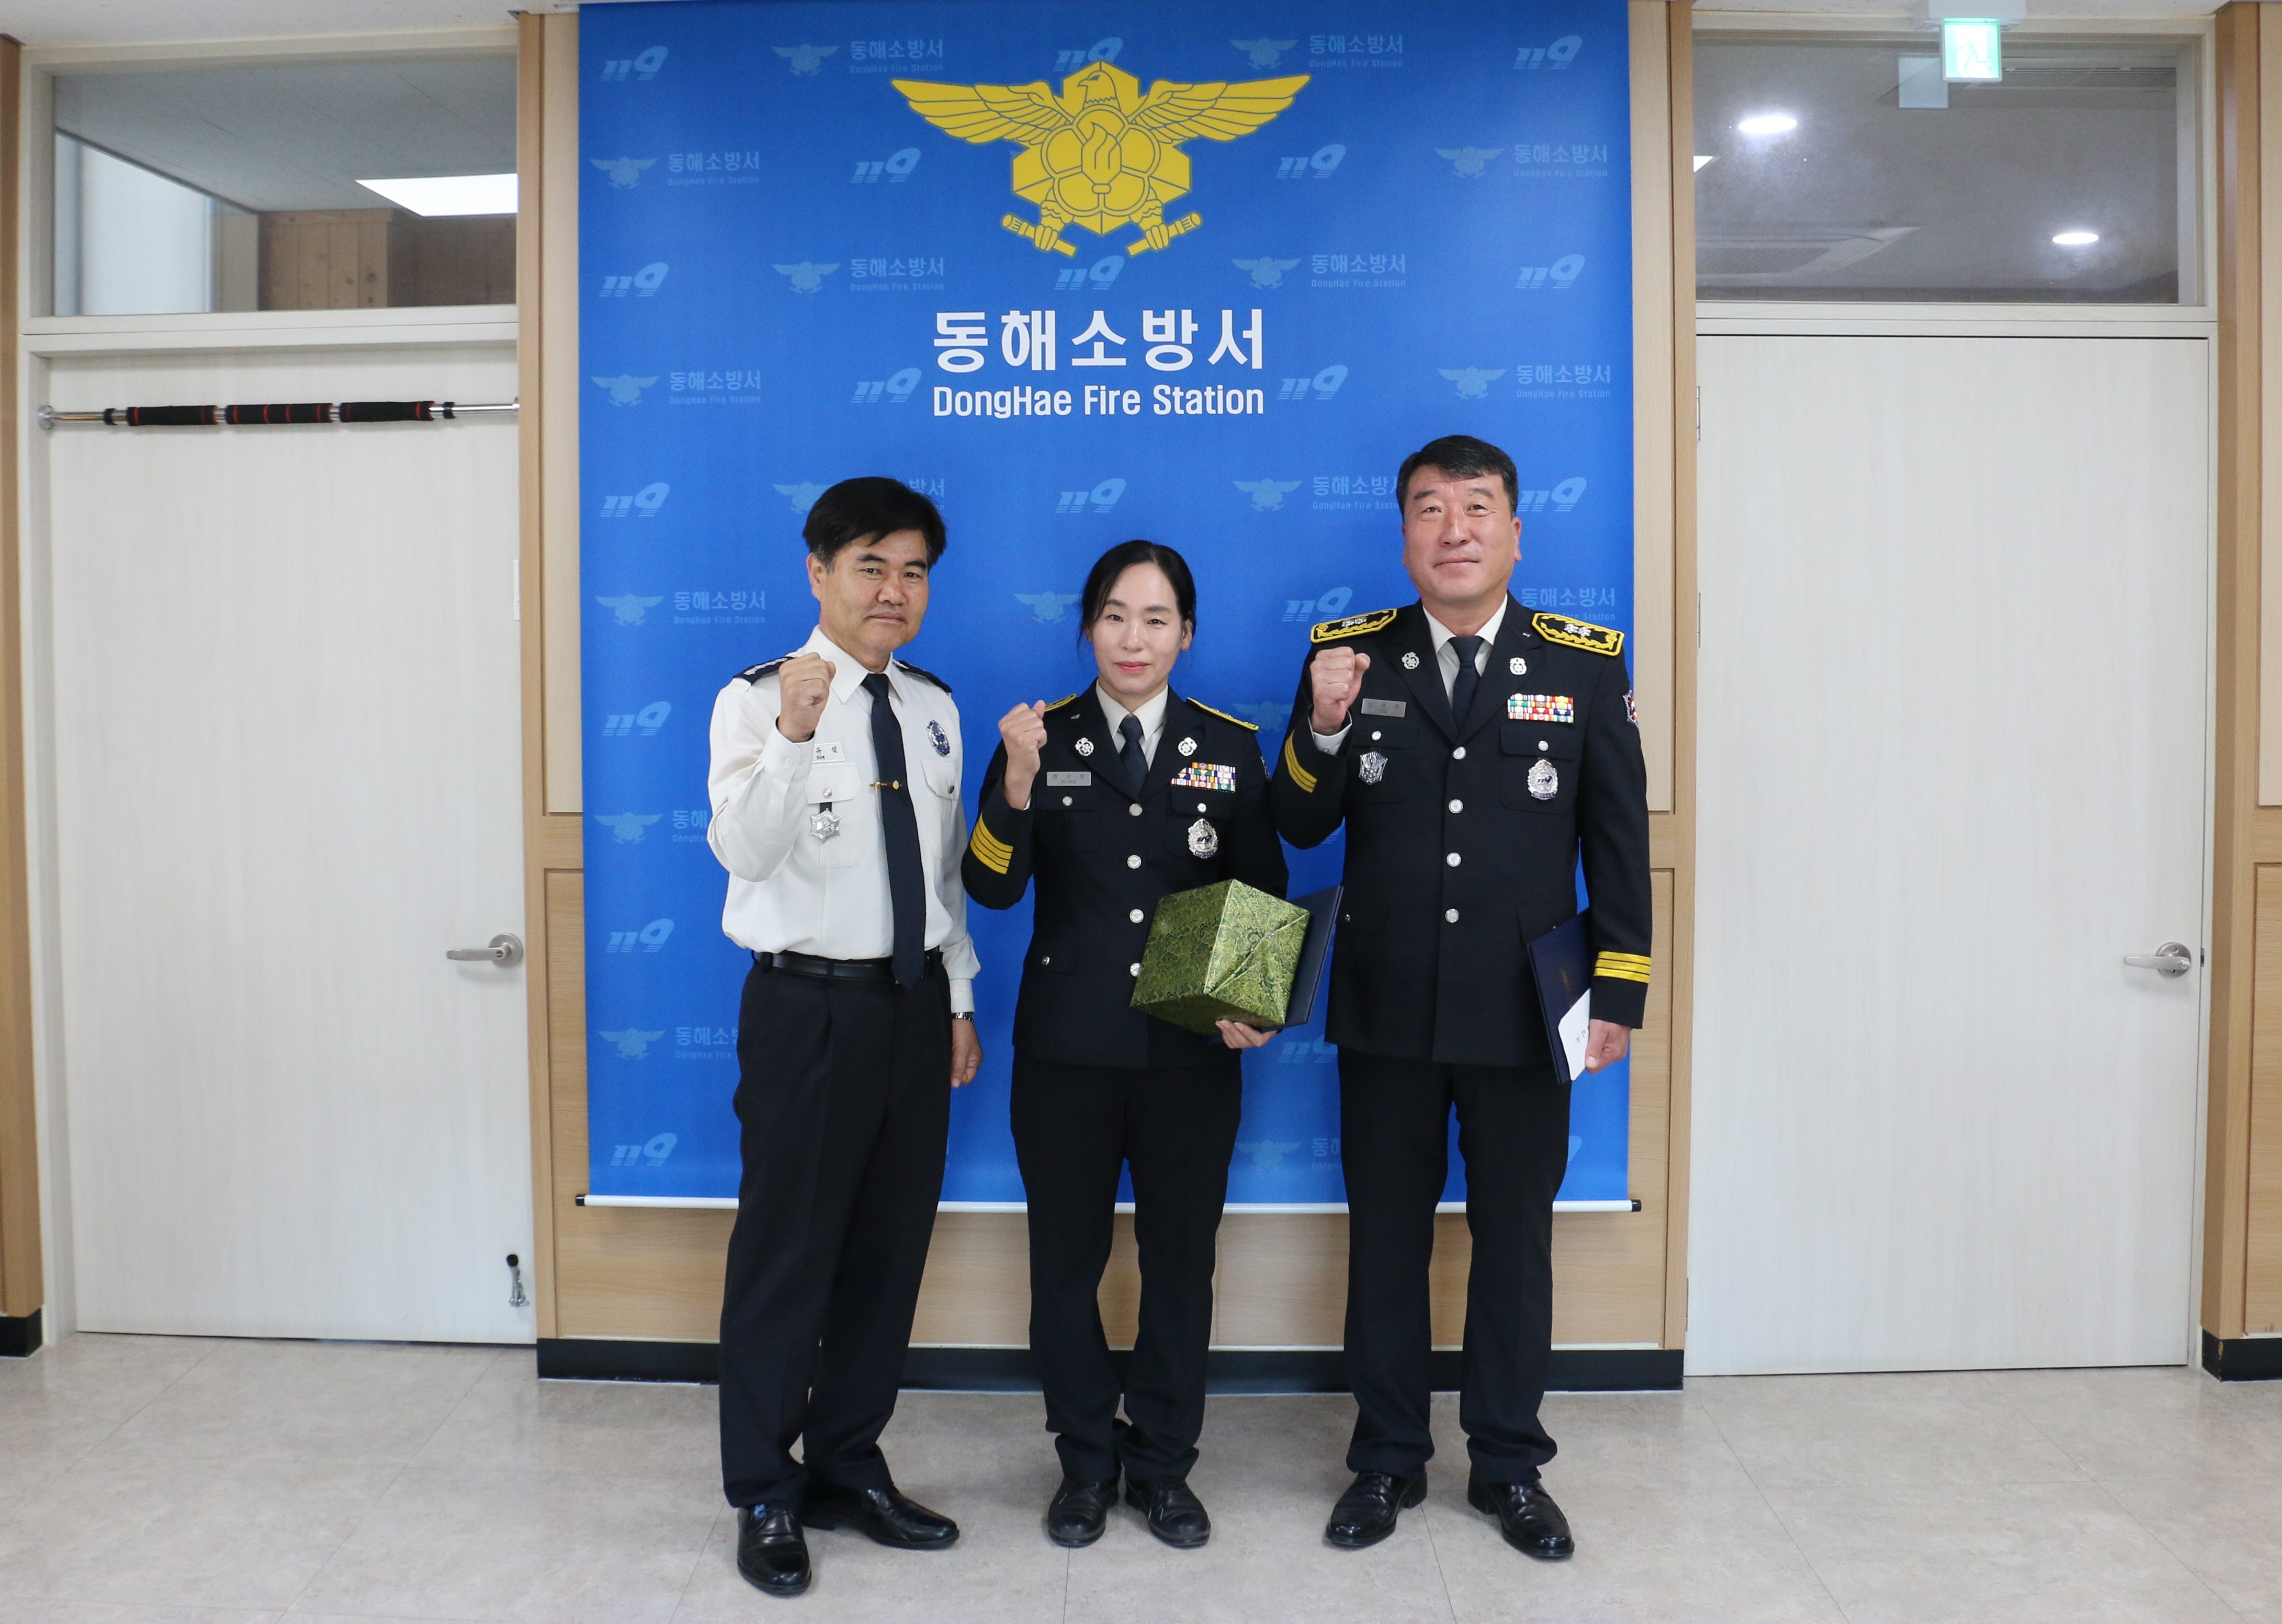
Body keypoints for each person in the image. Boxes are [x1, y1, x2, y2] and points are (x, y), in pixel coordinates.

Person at [1267, 435, 1651, 1561]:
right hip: (1386, 1002)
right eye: (1430, 509)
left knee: (1514, 1242)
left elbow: (1616, 843)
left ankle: (1509, 1464)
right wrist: (1324, 725)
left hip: (1525, 1007)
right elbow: (1299, 820)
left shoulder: (1585, 664)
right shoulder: (1347, 656)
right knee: (1385, 1240)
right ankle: (1386, 1458)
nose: (1455, 529)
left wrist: (1619, 987)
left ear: (1515, 531)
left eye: (1476, 507)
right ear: (1404, 536)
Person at [962, 540, 1288, 1551]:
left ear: (1185, 632)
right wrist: (1017, 784)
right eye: (1113, 615)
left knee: (1180, 1265)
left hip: (1189, 1053)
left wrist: (1254, 1003)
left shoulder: (1228, 744)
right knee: (1065, 1264)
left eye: (1154, 618)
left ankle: (1162, 1464)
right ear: (1087, 627)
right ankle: (1083, 1462)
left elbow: (1261, 888)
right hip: (1066, 1052)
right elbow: (990, 888)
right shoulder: (1038, 737)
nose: (1132, 637)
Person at [705, 476, 985, 1598]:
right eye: (870, 566)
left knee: (886, 1253)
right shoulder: (756, 699)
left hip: (911, 1006)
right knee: (788, 1256)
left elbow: (943, 874)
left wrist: (957, 996)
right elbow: (743, 853)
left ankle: (848, 1464)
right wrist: (792, 735)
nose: (892, 590)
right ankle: (765, 1490)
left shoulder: (934, 707)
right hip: (805, 1008)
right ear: (818, 571)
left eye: (913, 571)